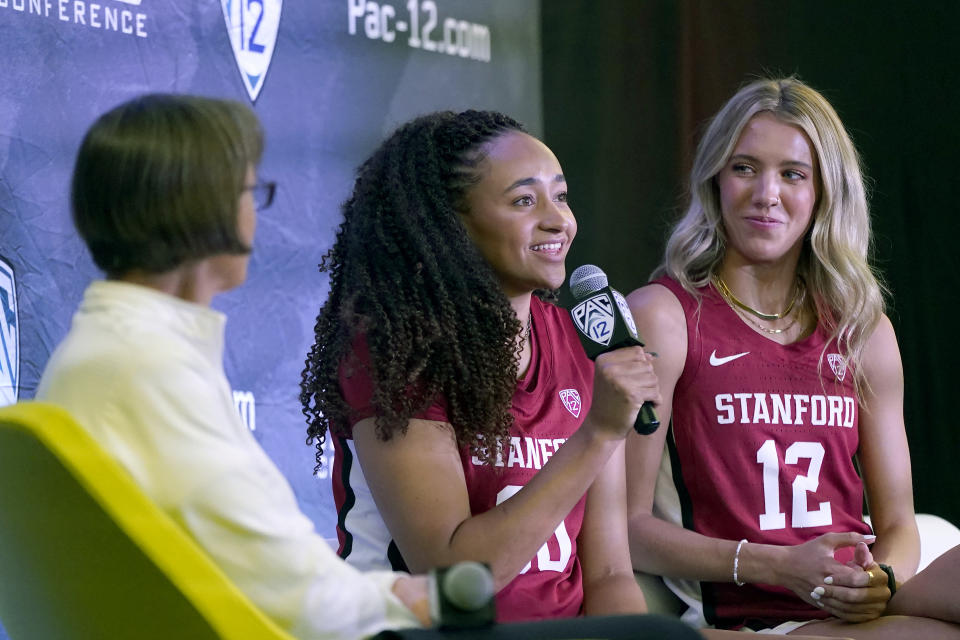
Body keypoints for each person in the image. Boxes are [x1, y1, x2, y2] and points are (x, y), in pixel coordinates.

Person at [36, 94, 429, 639]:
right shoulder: (145, 367)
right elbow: (295, 598)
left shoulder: (120, 351)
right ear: (200, 206)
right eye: (251, 192)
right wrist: (412, 600)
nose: (253, 215)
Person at [625, 76, 960, 637]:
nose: (766, 194)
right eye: (744, 167)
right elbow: (625, 526)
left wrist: (880, 580)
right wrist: (777, 564)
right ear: (714, 180)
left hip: (850, 607)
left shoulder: (862, 329)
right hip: (758, 614)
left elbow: (898, 522)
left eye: (793, 174)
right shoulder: (665, 315)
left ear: (825, 191)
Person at [299, 110, 662, 624]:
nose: (559, 219)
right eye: (523, 200)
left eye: (560, 195)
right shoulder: (398, 351)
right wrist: (598, 433)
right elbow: (451, 577)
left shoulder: (581, 340)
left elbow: (609, 575)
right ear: (449, 225)